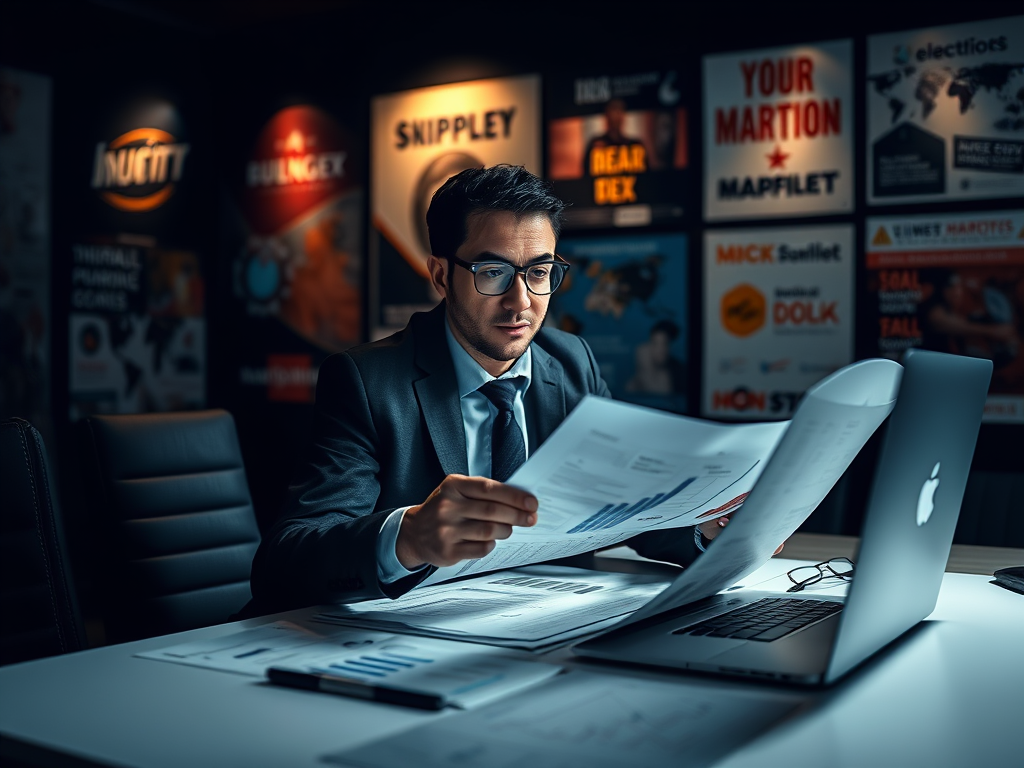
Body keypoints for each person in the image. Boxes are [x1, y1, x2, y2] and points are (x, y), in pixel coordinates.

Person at [248, 165, 727, 614]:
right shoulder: (367, 382)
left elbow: (626, 505)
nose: (521, 303)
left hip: (530, 624)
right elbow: (285, 562)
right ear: (440, 275)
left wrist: (709, 530)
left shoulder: (571, 363)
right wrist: (408, 537)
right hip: (399, 638)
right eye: (492, 272)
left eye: (538, 272)